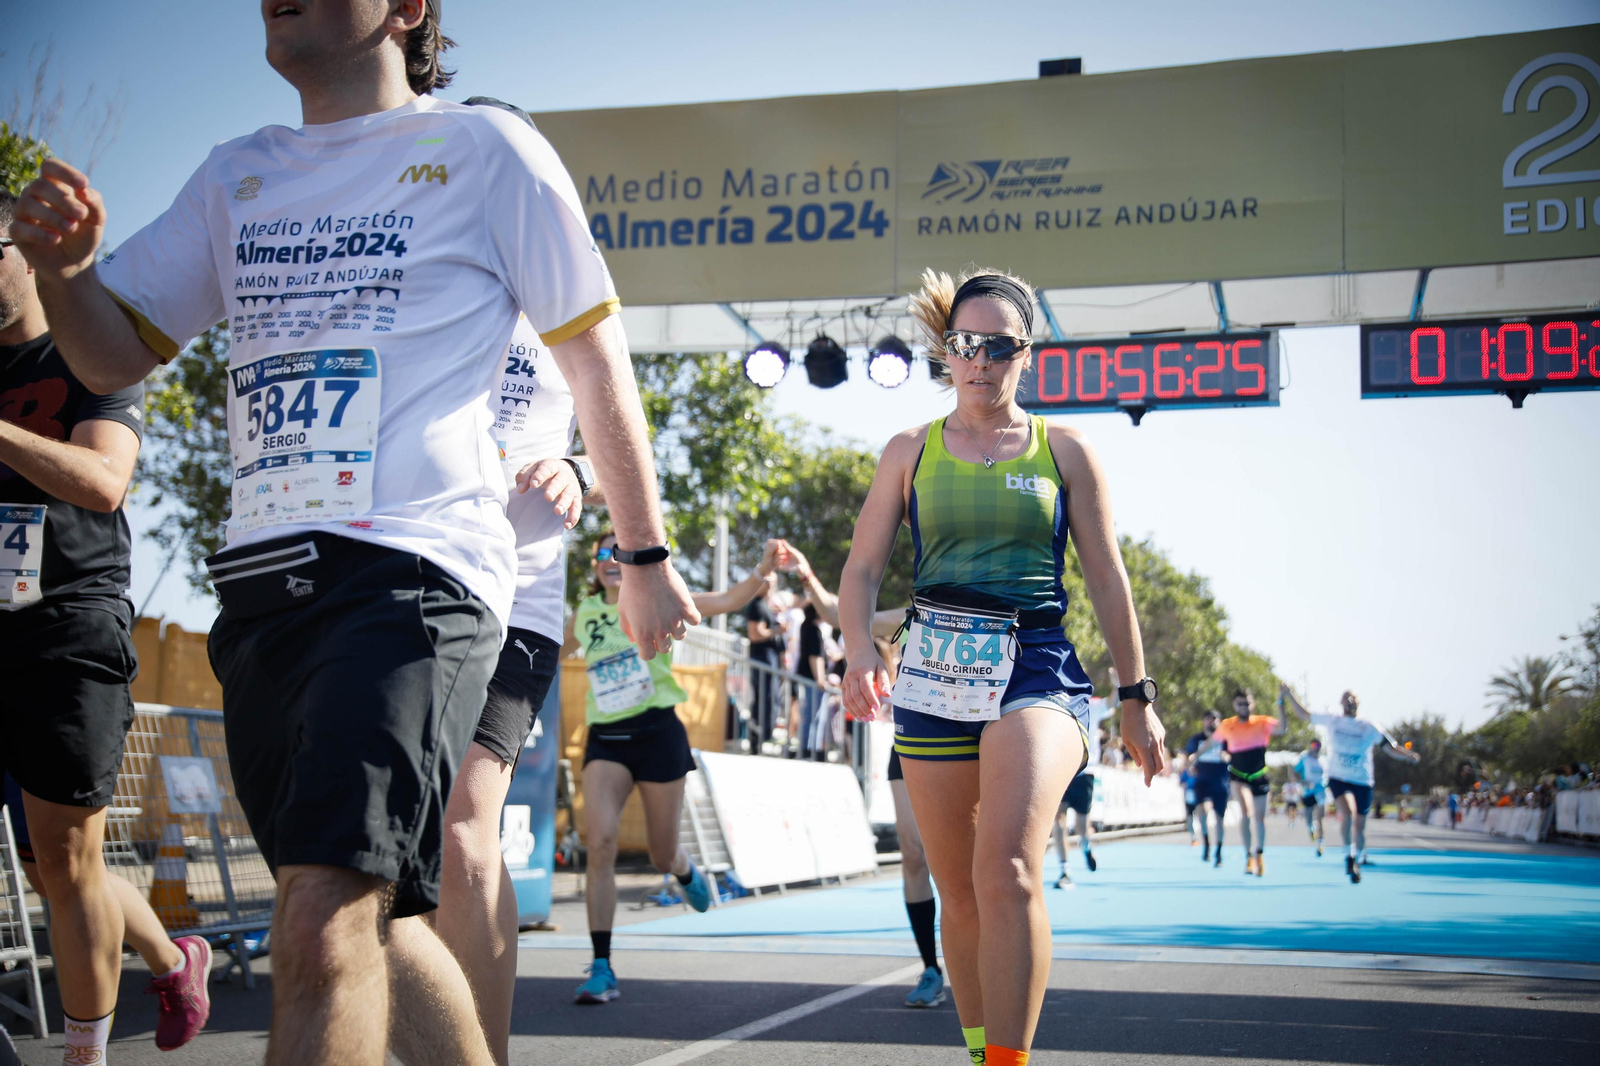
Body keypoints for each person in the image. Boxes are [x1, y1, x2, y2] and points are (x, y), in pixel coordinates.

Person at [10, 4, 700, 1062]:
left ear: (407, 8)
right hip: (263, 583)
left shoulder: (483, 147)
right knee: (363, 913)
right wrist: (64, 274)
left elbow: (595, 357)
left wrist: (644, 552)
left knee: (320, 921)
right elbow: (107, 361)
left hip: (417, 575)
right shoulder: (236, 172)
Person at [837, 267, 1168, 1066]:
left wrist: (1137, 695)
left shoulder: (1067, 451)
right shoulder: (908, 452)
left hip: (1036, 669)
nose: (978, 361)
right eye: (963, 345)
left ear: (1027, 353)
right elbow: (860, 571)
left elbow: (1107, 576)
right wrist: (855, 655)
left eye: (996, 347)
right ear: (945, 351)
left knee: (1009, 870)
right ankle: (983, 1051)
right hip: (933, 675)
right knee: (959, 892)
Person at [0, 196, 211, 1060]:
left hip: (67, 627)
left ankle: (84, 1053)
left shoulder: (92, 350)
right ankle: (172, 957)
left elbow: (101, 481)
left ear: (20, 251)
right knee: (55, 865)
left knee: (65, 858)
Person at [412, 310, 596, 1066]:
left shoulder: (574, 312)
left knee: (464, 830)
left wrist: (578, 471)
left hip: (519, 599)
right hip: (412, 576)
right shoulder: (432, 275)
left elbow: (626, 444)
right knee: (394, 841)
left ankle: (486, 1056)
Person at [568, 532, 789, 1005]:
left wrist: (765, 566)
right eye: (602, 554)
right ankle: (602, 965)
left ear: (633, 562)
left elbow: (730, 599)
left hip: (657, 735)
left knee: (661, 854)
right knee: (600, 843)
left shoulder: (661, 599)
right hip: (606, 739)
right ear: (593, 566)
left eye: (619, 552)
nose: (610, 559)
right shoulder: (583, 616)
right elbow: (542, 651)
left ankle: (685, 869)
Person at [783, 548, 943, 1005]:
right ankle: (930, 968)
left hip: (975, 745)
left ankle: (980, 962)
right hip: (912, 744)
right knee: (914, 855)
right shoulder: (909, 618)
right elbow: (839, 611)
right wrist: (807, 572)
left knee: (966, 865)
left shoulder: (987, 610)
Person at [1281, 686, 1418, 884]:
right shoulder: (1333, 720)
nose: (1350, 701)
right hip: (1339, 778)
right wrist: (1289, 694)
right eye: (1346, 698)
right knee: (1348, 813)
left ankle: (1358, 859)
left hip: (1362, 781)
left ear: (1358, 703)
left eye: (1353, 698)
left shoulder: (1370, 727)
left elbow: (1392, 747)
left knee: (1360, 826)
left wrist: (1408, 756)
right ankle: (1348, 856)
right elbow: (1304, 714)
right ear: (1341, 703)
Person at [1196, 690, 1283, 876]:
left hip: (1259, 775)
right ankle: (1248, 856)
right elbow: (1210, 743)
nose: (1243, 707)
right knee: (1246, 812)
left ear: (1253, 704)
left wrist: (1281, 703)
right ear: (1235, 706)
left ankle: (1259, 853)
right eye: (1239, 704)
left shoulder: (1262, 722)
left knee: (1259, 818)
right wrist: (1194, 757)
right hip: (1238, 775)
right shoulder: (1228, 725)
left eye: (1247, 703)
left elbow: (1282, 728)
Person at [1052, 698, 1115, 888]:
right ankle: (1065, 869)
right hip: (1060, 770)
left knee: (1081, 825)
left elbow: (1112, 703)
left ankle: (1086, 847)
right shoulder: (1053, 697)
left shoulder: (1091, 704)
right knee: (1059, 820)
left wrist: (1117, 685)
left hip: (1084, 771)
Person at [744, 570, 786, 749]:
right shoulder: (756, 605)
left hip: (770, 658)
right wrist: (777, 631)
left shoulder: (767, 606)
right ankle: (758, 739)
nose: (770, 586)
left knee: (771, 698)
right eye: (767, 581)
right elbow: (755, 634)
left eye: (773, 582)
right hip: (762, 658)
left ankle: (763, 737)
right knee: (764, 698)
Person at [1183, 711, 1230, 867]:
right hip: (1201, 780)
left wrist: (1227, 757)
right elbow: (1188, 758)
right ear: (1203, 721)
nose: (1211, 722)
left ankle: (1219, 851)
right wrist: (1189, 767)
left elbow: (1233, 756)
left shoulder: (1225, 739)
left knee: (1218, 817)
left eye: (1215, 719)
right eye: (1208, 719)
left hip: (1220, 780)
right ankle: (1206, 844)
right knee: (1201, 811)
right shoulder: (1196, 739)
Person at [1292, 738, 1328, 855]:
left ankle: (1320, 843)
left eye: (1318, 745)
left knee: (1321, 817)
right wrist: (1304, 783)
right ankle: (1311, 829)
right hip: (1308, 792)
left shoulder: (1323, 760)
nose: (1316, 747)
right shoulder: (1305, 759)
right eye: (1314, 744)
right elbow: (1295, 773)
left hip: (1321, 791)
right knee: (1309, 816)